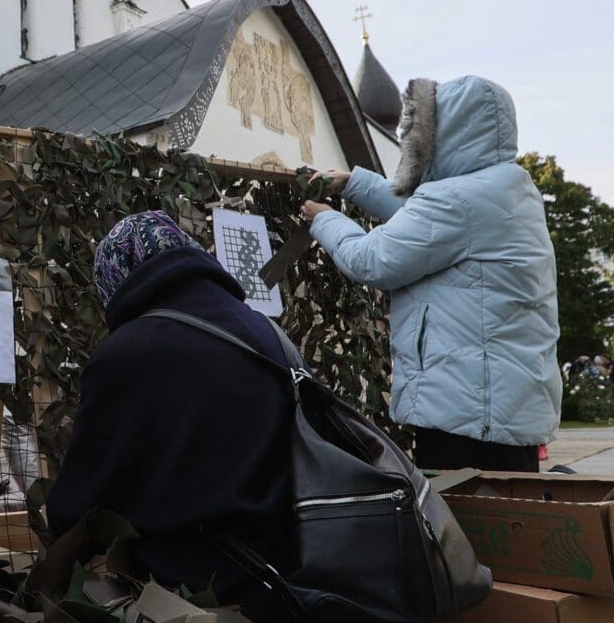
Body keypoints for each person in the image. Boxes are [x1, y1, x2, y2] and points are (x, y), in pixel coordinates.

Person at [303, 76, 558, 472]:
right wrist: (356, 184)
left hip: (465, 411)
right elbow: (422, 222)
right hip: (499, 406)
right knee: (509, 517)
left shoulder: (457, 200)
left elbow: (372, 259)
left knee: (465, 525)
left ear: (447, 132)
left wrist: (325, 220)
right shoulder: (508, 189)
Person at [49, 212, 297, 620]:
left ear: (118, 280)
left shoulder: (126, 355)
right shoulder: (267, 334)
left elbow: (79, 504)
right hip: (284, 583)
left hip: (182, 593)